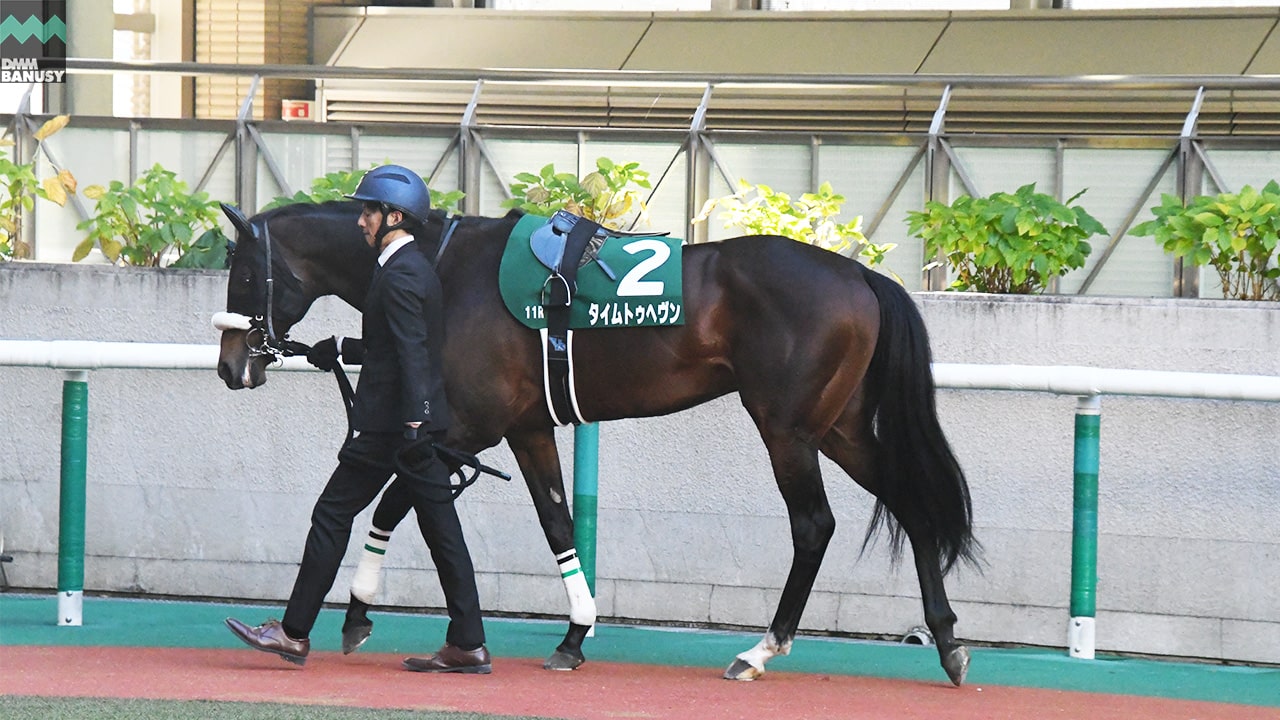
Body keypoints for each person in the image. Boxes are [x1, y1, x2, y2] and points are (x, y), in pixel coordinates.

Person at [225, 164, 490, 674]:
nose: (361, 220)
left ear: (395, 217)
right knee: (443, 532)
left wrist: (415, 426)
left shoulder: (401, 275)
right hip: (410, 429)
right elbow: (393, 345)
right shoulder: (407, 269)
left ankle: (293, 633)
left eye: (370, 211)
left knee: (332, 515)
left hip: (394, 431)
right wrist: (339, 348)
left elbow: (415, 356)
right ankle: (469, 643)